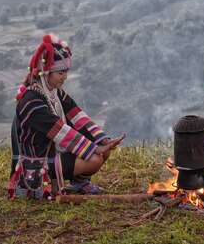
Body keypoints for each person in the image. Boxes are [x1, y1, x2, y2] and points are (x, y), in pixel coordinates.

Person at [7, 34, 124, 198]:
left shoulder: (56, 93)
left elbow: (78, 117)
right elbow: (59, 131)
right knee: (95, 159)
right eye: (60, 73)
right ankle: (50, 185)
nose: (65, 77)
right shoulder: (31, 101)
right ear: (46, 72)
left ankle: (79, 182)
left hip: (54, 153)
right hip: (37, 161)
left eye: (66, 72)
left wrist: (103, 141)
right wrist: (95, 148)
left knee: (104, 152)